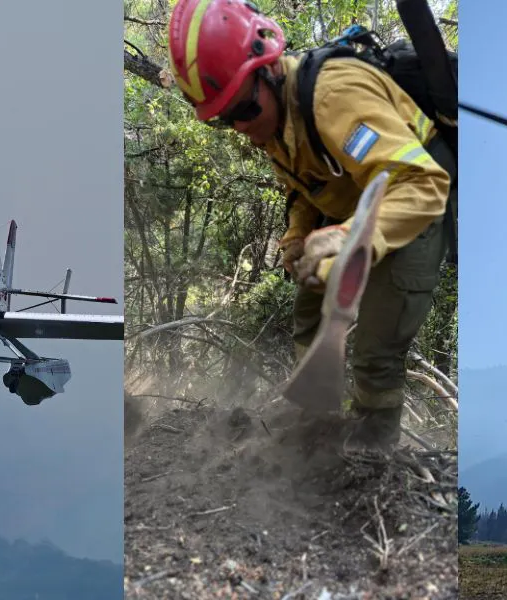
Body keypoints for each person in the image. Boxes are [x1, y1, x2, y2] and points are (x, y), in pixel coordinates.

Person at [166, 0, 455, 449]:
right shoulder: (275, 120)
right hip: (357, 203)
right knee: (309, 307)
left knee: (378, 344)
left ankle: (373, 442)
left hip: (414, 199)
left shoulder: (333, 97)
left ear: (269, 70)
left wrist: (351, 239)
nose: (240, 127)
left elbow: (420, 181)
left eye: (241, 110)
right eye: (225, 120)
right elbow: (303, 187)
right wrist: (298, 235)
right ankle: (314, 416)